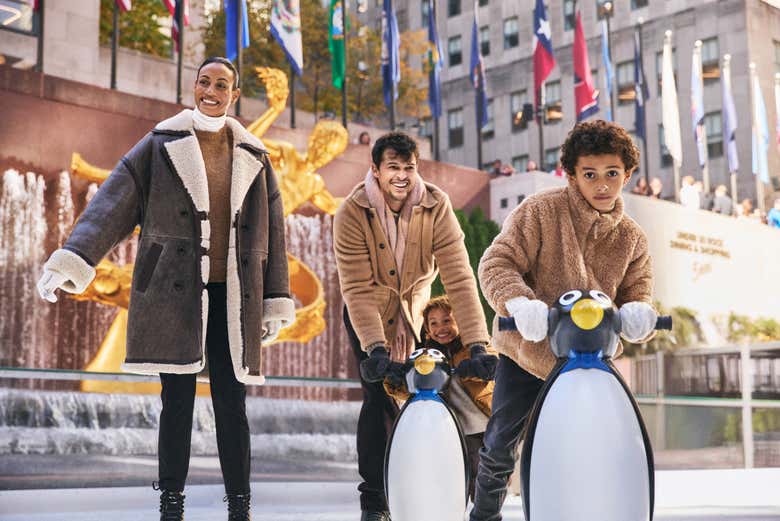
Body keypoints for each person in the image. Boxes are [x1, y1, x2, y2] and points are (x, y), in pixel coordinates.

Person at [36, 57, 295, 521]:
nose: (211, 90)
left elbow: (273, 234)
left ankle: (240, 505)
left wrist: (274, 303)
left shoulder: (255, 155)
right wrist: (74, 259)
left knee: (232, 403)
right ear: (194, 87)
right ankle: (170, 503)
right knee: (176, 402)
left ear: (234, 95)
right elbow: (112, 202)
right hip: (175, 295)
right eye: (204, 82)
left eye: (222, 84)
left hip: (232, 299)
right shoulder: (160, 144)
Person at [470, 120, 657, 521]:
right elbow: (496, 262)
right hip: (526, 354)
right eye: (589, 174)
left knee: (606, 440)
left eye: (612, 174)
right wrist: (519, 305)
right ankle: (483, 516)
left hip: (590, 360)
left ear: (627, 174)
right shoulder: (540, 211)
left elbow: (637, 292)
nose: (602, 184)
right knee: (502, 441)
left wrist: (639, 312)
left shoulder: (633, 239)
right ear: (571, 174)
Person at [333, 131, 493, 521]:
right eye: (393, 168)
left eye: (409, 168)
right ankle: (374, 501)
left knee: (427, 397)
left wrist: (478, 344)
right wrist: (375, 348)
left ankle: (429, 484)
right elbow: (355, 286)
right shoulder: (351, 211)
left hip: (415, 315)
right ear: (375, 169)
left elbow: (459, 277)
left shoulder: (436, 205)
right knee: (377, 401)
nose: (402, 176)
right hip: (367, 314)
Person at [383, 295, 496, 502]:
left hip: (481, 425)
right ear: (426, 329)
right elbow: (410, 390)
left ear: (460, 321)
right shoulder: (424, 358)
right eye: (433, 323)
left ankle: (484, 512)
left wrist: (473, 369)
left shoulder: (474, 348)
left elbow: (492, 364)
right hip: (450, 429)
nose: (440, 327)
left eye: (447, 320)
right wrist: (395, 380)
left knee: (483, 480)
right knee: (455, 478)